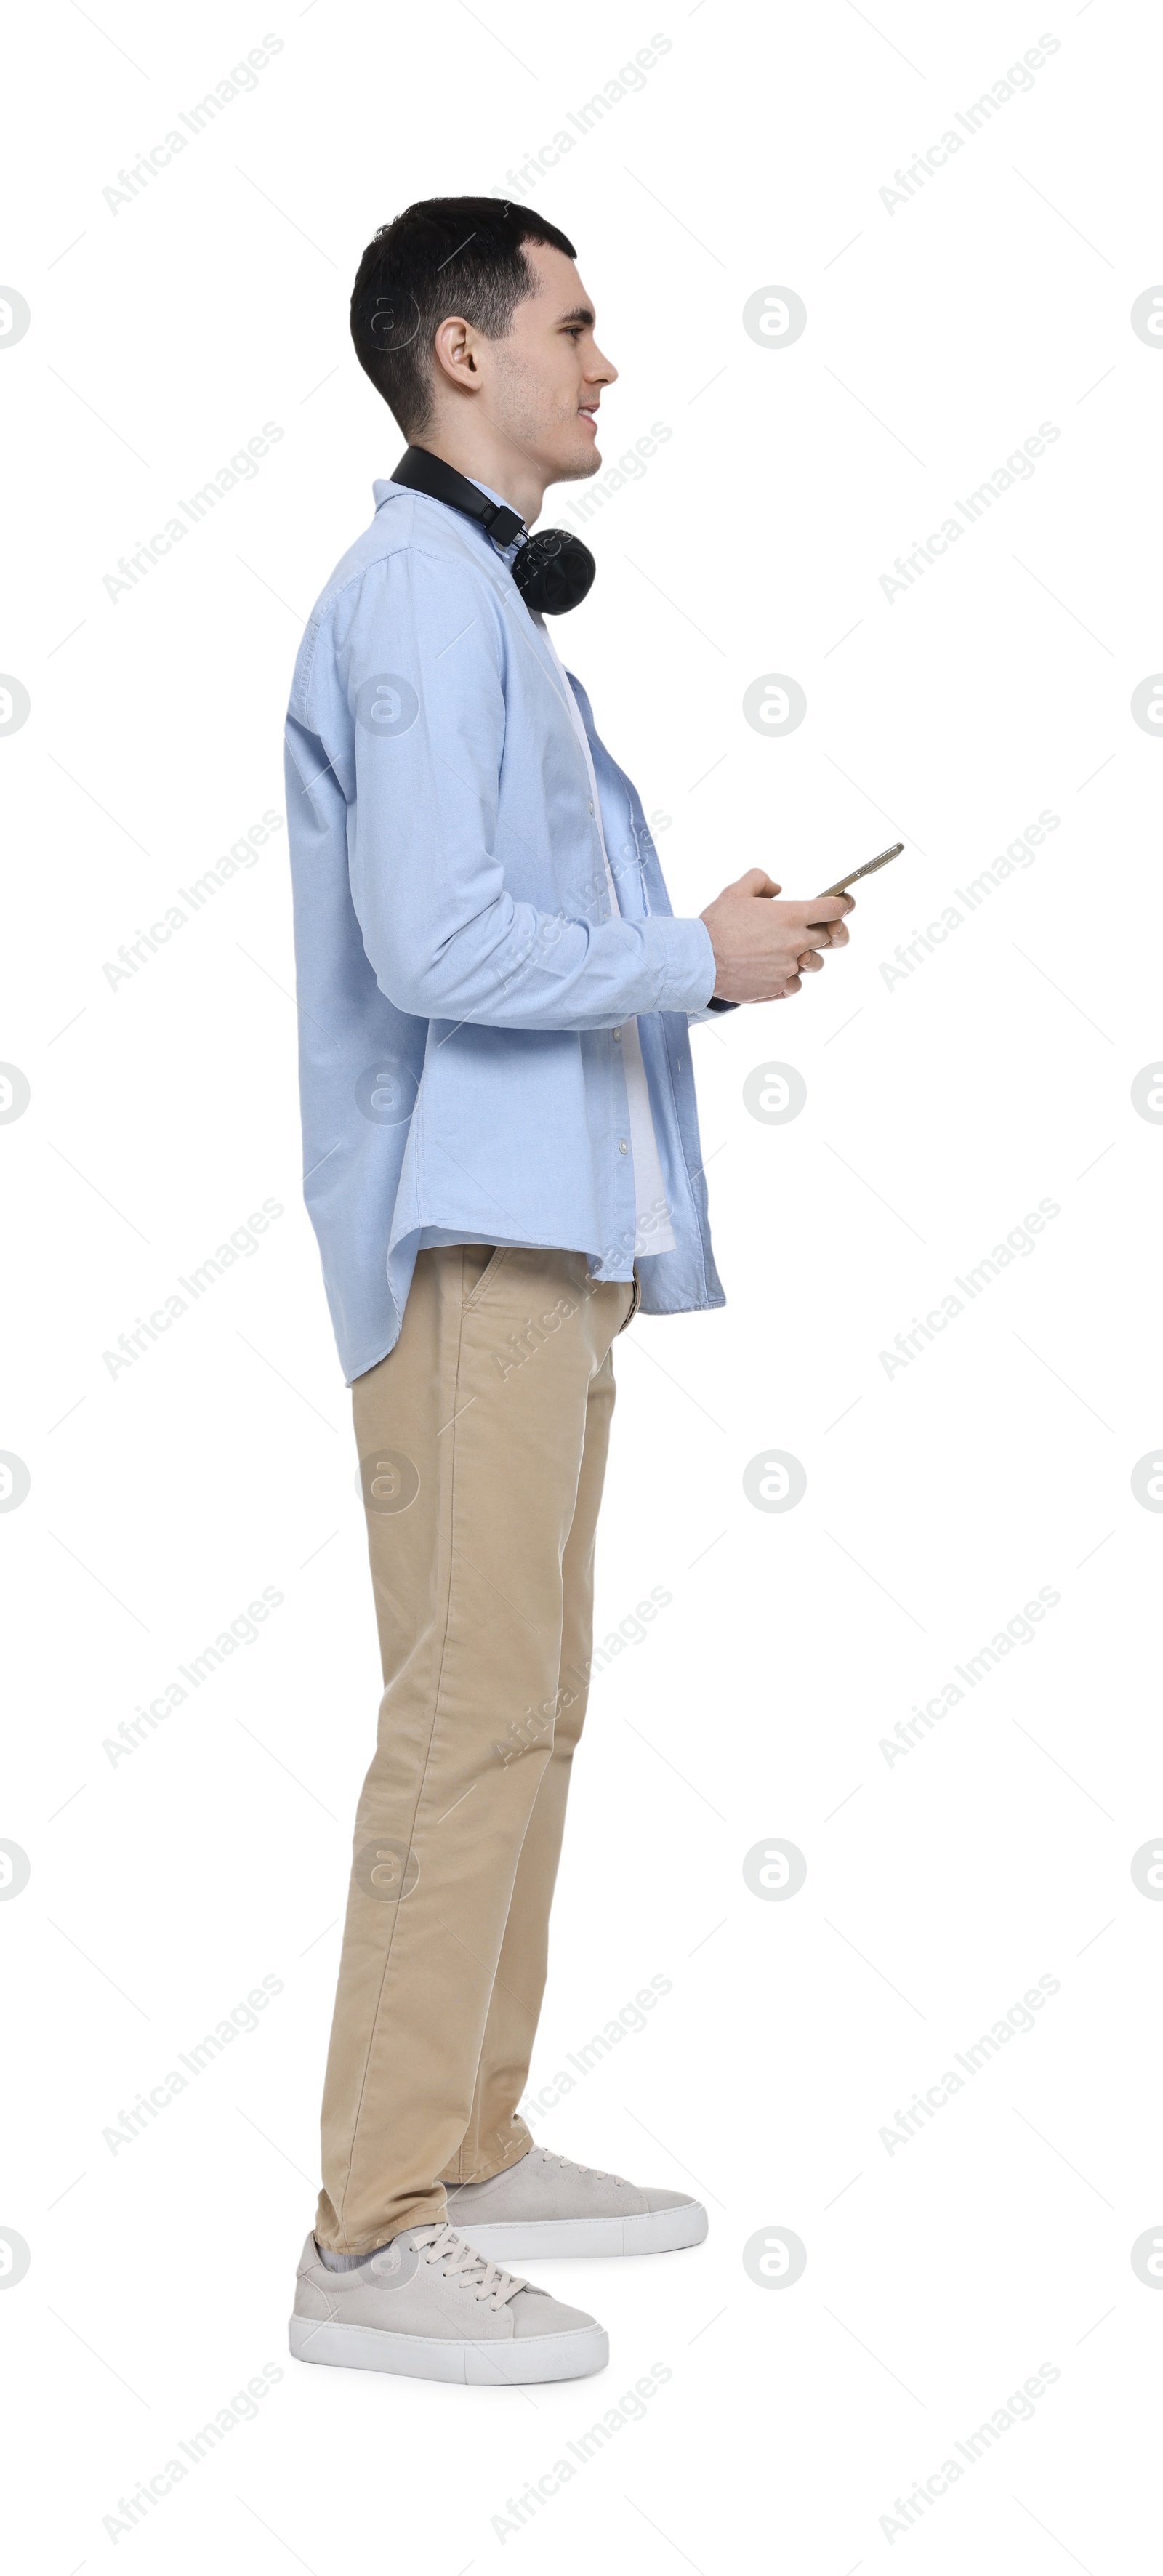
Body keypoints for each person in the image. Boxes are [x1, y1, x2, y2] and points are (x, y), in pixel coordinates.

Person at [283, 196, 853, 2387]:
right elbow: (434, 951)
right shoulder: (422, 599)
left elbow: (503, 919)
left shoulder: (480, 607)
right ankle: (370, 2230)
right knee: (464, 1717)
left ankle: (472, 2135)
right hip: (470, 1244)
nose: (605, 363)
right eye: (575, 324)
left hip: (545, 1245)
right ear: (461, 352)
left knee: (523, 1704)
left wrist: (681, 942)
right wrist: (691, 964)